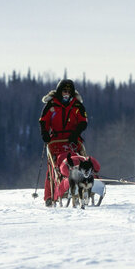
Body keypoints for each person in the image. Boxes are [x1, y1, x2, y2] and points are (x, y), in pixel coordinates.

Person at [39, 79, 88, 207]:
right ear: (60, 91)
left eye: (69, 91)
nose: (66, 93)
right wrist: (44, 133)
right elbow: (43, 121)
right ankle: (50, 196)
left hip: (72, 139)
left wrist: (76, 133)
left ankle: (89, 182)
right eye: (64, 91)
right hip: (55, 140)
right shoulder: (51, 105)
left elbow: (83, 122)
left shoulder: (77, 106)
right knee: (53, 167)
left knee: (81, 159)